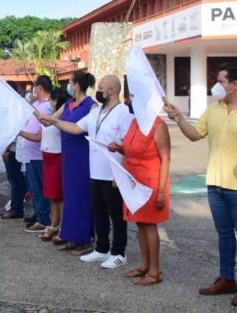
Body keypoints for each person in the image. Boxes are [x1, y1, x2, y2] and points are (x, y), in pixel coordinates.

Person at [164, 63, 237, 306]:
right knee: (224, 235)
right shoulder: (214, 109)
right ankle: (227, 279)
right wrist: (178, 117)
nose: (216, 85)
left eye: (221, 81)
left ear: (235, 84)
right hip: (215, 183)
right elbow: (194, 135)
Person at [40, 74, 131, 268]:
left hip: (112, 172)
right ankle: (102, 248)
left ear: (112, 91)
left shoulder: (123, 112)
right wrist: (54, 121)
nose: (98, 90)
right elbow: (75, 128)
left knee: (116, 214)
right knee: (99, 213)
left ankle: (119, 253)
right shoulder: (96, 113)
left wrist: (121, 170)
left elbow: (128, 145)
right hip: (95, 171)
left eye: (101, 87)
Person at [108, 81, 171, 286]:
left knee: (149, 224)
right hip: (134, 180)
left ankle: (155, 271)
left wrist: (161, 191)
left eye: (135, 97)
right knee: (140, 224)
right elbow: (130, 150)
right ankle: (144, 265)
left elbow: (166, 158)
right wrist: (118, 148)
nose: (131, 100)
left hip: (151, 181)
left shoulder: (158, 125)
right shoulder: (135, 122)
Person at [36, 71, 96, 253]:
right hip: (67, 157)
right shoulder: (69, 104)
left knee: (82, 198)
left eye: (70, 82)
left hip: (82, 157)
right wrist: (40, 116)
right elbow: (50, 122)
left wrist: (53, 122)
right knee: (69, 197)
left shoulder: (91, 106)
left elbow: (78, 129)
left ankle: (85, 239)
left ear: (76, 85)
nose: (68, 86)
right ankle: (71, 236)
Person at [19, 89, 69, 240]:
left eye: (52, 101)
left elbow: (46, 121)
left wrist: (32, 108)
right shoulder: (51, 116)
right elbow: (40, 130)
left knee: (59, 196)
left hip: (57, 157)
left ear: (57, 101)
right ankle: (53, 225)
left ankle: (63, 227)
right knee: (51, 195)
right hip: (47, 157)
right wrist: (29, 107)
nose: (50, 104)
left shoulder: (62, 117)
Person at [18, 75, 53, 233]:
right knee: (33, 188)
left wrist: (20, 133)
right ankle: (39, 214)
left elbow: (40, 132)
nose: (34, 91)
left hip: (39, 154)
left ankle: (44, 219)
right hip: (30, 154)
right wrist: (31, 101)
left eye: (35, 88)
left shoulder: (48, 106)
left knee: (39, 188)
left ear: (40, 88)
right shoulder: (36, 103)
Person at [0, 82, 28, 220]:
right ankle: (16, 206)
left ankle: (16, 209)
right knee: (18, 179)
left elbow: (12, 130)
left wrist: (6, 149)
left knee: (15, 179)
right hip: (17, 147)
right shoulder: (20, 104)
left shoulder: (14, 106)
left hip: (14, 148)